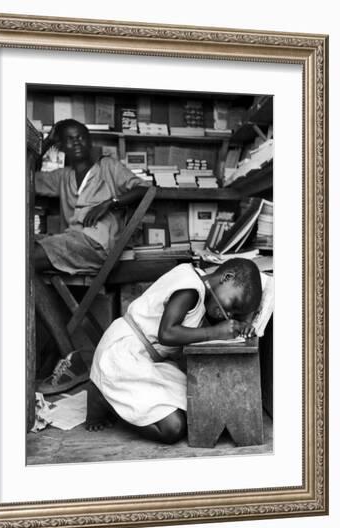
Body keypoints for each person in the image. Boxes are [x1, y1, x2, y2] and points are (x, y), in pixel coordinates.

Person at [85, 258, 263, 445]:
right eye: (233, 304)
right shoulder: (190, 289)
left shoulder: (203, 290)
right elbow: (167, 334)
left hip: (146, 361)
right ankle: (105, 398)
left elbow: (211, 325)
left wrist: (241, 327)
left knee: (200, 406)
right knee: (173, 428)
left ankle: (115, 395)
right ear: (227, 277)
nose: (228, 314)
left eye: (235, 314)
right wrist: (215, 332)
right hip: (121, 356)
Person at [33, 119, 148, 395]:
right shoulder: (63, 177)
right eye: (69, 140)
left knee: (23, 260)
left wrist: (112, 202)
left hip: (94, 246)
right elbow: (29, 180)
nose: (78, 143)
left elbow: (144, 189)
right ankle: (66, 355)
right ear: (61, 147)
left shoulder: (108, 168)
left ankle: (71, 357)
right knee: (25, 264)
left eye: (82, 137)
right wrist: (44, 146)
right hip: (71, 244)